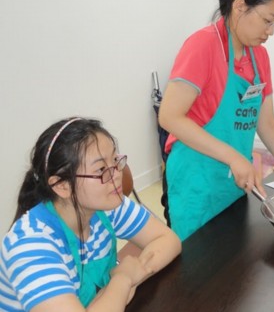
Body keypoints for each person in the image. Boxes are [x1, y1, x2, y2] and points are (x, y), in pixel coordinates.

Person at [158, 0, 274, 241]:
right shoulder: (203, 46)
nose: (271, 31)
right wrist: (234, 157)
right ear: (239, 7)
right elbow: (170, 117)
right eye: (267, 20)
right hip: (196, 180)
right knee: (196, 271)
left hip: (233, 182)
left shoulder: (259, 57)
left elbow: (268, 125)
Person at [0, 117, 181, 311]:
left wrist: (125, 283)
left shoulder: (107, 204)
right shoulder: (29, 245)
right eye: (101, 169)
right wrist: (123, 279)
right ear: (62, 186)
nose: (117, 174)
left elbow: (168, 240)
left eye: (115, 160)